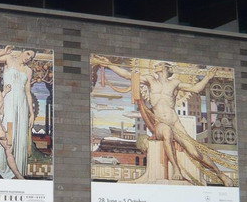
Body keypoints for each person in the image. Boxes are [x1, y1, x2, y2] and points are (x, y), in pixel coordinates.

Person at [94, 57, 235, 186]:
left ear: (167, 68)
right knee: (167, 133)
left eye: (161, 65)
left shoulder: (175, 83)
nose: (158, 66)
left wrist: (207, 77)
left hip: (175, 121)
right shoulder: (150, 79)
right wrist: (108, 64)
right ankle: (176, 169)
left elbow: (196, 89)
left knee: (195, 153)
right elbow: (126, 75)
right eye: (157, 65)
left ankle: (221, 175)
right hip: (160, 123)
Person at [0, 47, 36, 179]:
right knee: (9, 137)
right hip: (8, 102)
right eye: (27, 54)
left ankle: (17, 172)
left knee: (20, 137)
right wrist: (4, 52)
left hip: (22, 106)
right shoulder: (9, 59)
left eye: (31, 57)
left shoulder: (28, 70)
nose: (28, 58)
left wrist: (31, 113)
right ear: (22, 51)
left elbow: (27, 92)